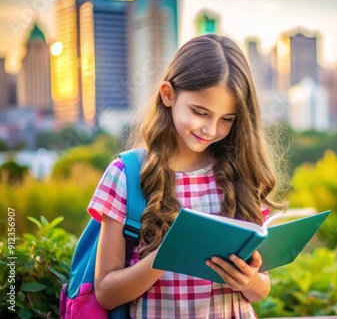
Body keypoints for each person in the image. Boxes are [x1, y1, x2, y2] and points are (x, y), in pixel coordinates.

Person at [88, 34, 287, 318]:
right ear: (168, 94)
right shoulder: (127, 175)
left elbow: (260, 289)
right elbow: (106, 293)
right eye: (199, 112)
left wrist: (250, 280)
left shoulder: (241, 174)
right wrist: (170, 254)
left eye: (227, 119)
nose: (210, 129)